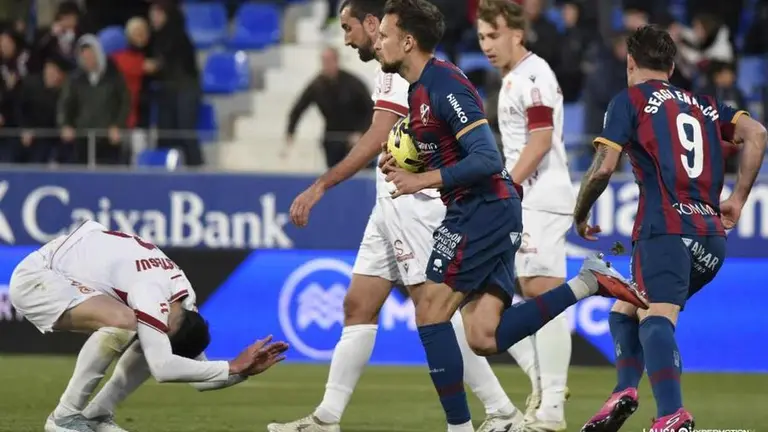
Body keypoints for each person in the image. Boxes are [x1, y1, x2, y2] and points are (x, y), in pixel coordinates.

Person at [374, 1, 648, 430]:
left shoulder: (446, 84)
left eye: (384, 34)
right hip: (485, 207)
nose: (378, 41)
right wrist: (404, 166)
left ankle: (467, 424)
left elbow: (486, 157)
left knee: (430, 310)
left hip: (484, 207)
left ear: (407, 41)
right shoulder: (418, 90)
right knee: (483, 335)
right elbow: (446, 149)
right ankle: (589, 282)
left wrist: (423, 180)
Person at [269, 1, 528, 431]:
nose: (347, 38)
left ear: (375, 25)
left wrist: (322, 185)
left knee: (433, 311)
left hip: (414, 203)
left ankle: (501, 410)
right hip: (387, 199)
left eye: (350, 27)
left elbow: (378, 134)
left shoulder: (403, 68)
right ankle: (327, 419)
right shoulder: (393, 68)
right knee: (358, 305)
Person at [576, 25, 767, 432]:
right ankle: (624, 390)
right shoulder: (704, 104)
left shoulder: (629, 100)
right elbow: (757, 134)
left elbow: (604, 167)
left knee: (655, 316)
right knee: (624, 309)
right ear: (673, 66)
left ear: (630, 63)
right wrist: (737, 199)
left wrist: (580, 212)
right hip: (712, 239)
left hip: (664, 227)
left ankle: (671, 415)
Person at [9, 220, 288, 432]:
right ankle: (65, 417)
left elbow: (196, 378)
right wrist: (232, 366)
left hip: (69, 263)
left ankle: (96, 415)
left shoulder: (185, 302)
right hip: (39, 275)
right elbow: (163, 369)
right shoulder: (150, 292)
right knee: (125, 323)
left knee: (142, 334)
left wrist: (243, 372)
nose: (158, 331)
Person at [476, 0, 576, 430]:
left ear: (516, 33)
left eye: (493, 35)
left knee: (541, 289)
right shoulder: (514, 77)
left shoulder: (533, 75)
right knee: (489, 293)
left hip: (539, 196)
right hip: (526, 197)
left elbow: (540, 139)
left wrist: (508, 185)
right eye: (481, 37)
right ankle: (542, 387)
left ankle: (552, 403)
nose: (486, 45)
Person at [284, 46, 374, 169]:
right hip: (332, 139)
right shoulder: (317, 85)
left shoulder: (353, 84)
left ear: (336, 61)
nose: (326, 65)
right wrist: (290, 132)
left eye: (328, 61)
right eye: (323, 61)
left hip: (356, 137)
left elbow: (370, 110)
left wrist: (361, 133)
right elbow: (298, 109)